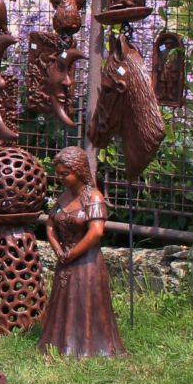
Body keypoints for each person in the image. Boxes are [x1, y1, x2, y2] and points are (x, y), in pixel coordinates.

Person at [38, 146, 126, 357]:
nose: (60, 178)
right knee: (64, 302)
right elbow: (50, 224)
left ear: (79, 171)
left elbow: (96, 232)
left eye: (65, 174)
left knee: (85, 303)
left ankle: (89, 346)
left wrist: (72, 254)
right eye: (58, 174)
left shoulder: (94, 198)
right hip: (65, 259)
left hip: (87, 262)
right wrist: (59, 250)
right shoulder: (65, 196)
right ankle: (60, 343)